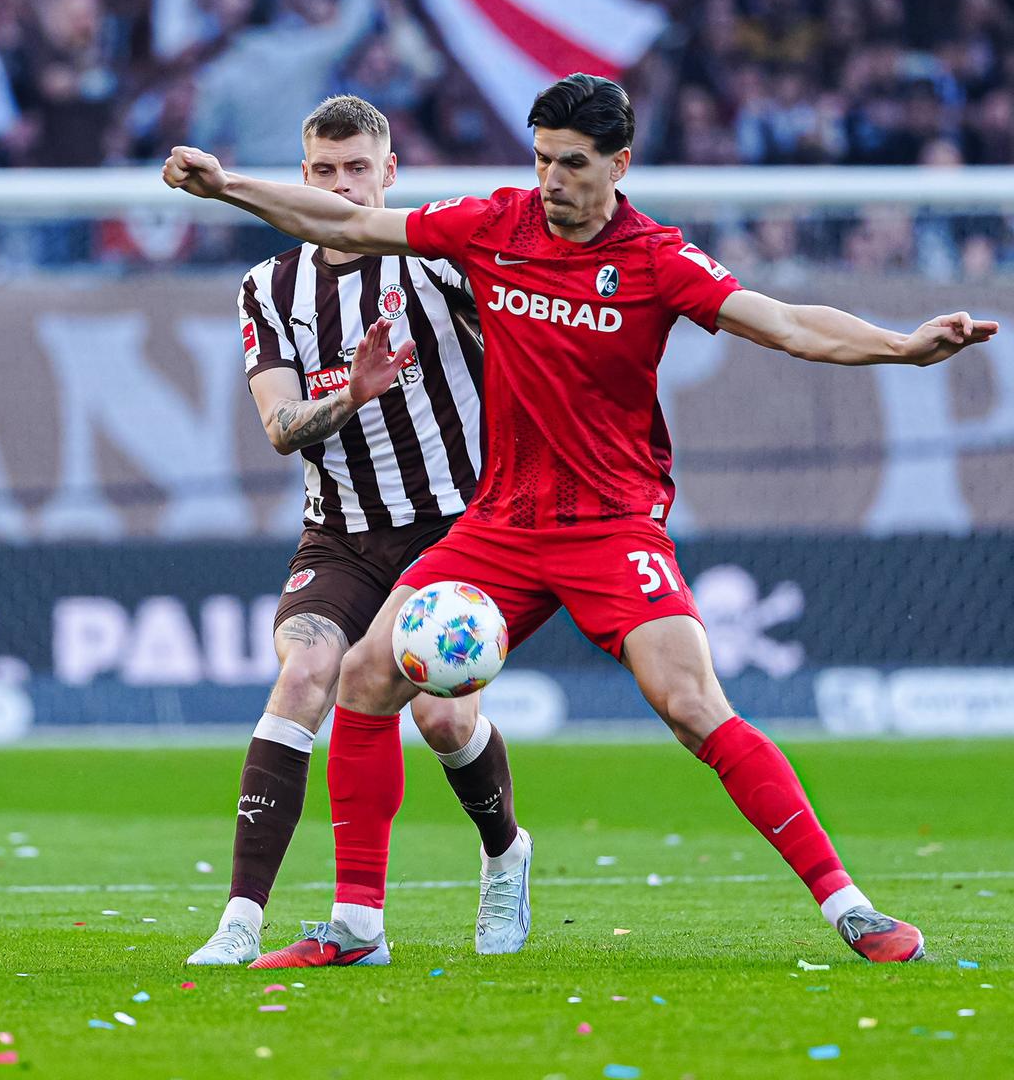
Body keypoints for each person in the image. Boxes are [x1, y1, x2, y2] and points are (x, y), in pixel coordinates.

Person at [164, 73, 998, 969]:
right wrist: (230, 187)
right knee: (366, 677)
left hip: (613, 526)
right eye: (540, 159)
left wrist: (904, 346)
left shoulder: (655, 259)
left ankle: (851, 908)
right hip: (500, 523)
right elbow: (347, 225)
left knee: (690, 704)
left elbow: (787, 321)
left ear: (618, 164)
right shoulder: (494, 225)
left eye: (570, 163)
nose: (551, 180)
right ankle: (358, 927)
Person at [185, 95, 531, 968]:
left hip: (451, 531)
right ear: (304, 179)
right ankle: (240, 919)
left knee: (446, 726)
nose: (342, 186)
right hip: (338, 533)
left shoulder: (440, 267)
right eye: (326, 172)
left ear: (390, 175)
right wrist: (354, 394)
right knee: (307, 674)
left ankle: (505, 855)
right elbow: (279, 424)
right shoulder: (267, 288)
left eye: (358, 170)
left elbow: (523, 358)